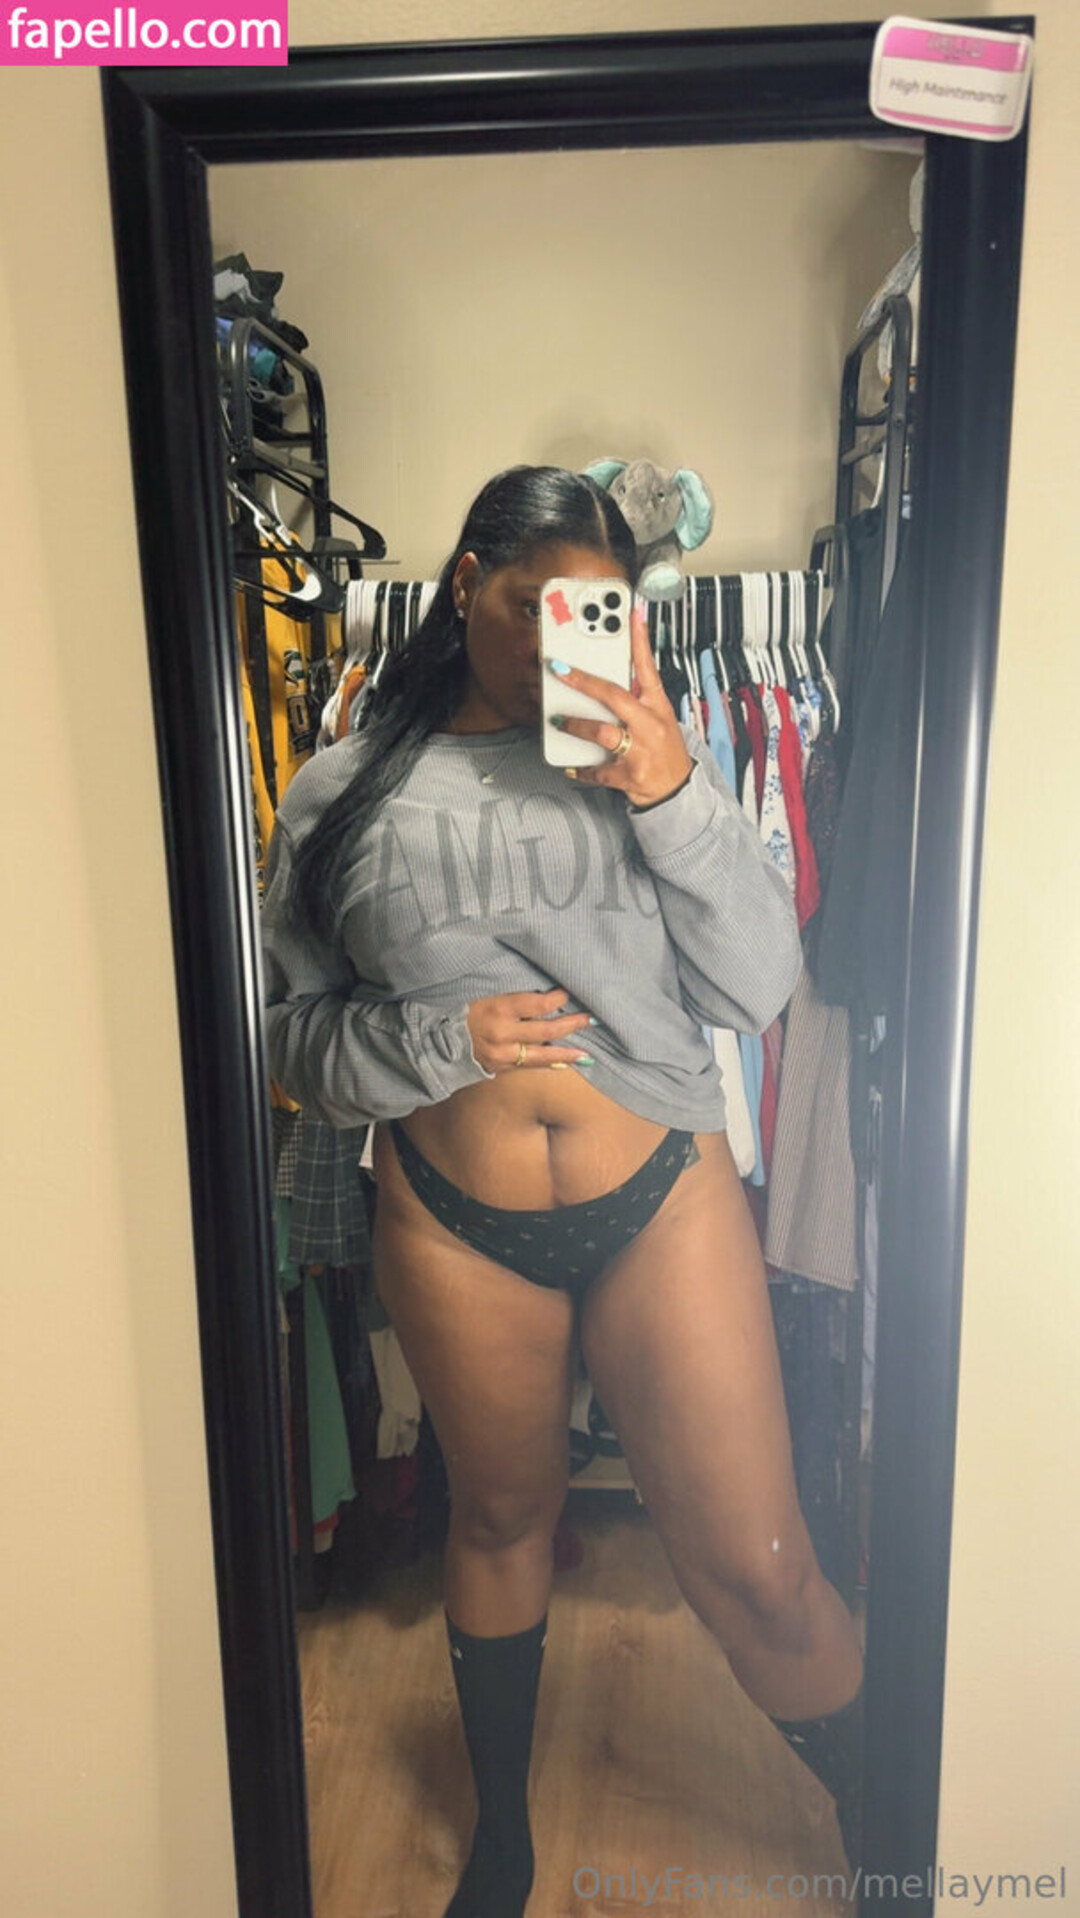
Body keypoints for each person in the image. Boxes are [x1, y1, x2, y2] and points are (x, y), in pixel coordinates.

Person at [262, 466, 865, 1917]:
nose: (556, 644)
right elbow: (287, 1042)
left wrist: (666, 790)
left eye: (589, 613)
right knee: (497, 1519)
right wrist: (435, 1041)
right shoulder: (342, 792)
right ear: (466, 583)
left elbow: (760, 984)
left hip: (659, 1188)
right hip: (452, 1219)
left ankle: (906, 1805)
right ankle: (505, 1843)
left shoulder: (649, 757)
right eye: (532, 605)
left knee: (761, 1565)